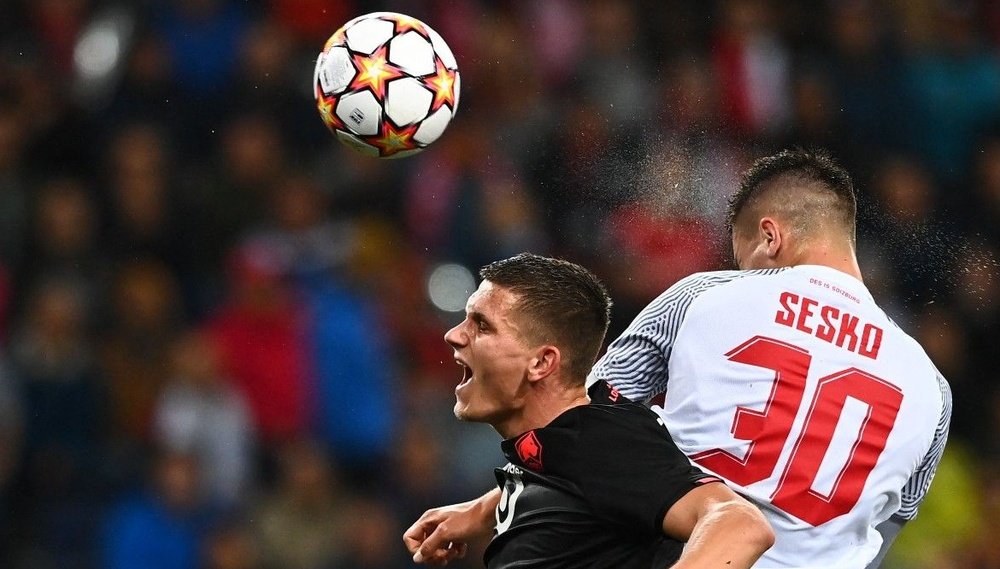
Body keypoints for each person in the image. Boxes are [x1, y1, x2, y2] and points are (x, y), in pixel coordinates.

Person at [405, 149, 951, 569]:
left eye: (744, 258)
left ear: (769, 236)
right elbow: (881, 538)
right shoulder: (932, 391)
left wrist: (488, 507)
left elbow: (578, 423)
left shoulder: (704, 296)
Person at [403, 253, 774, 568]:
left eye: (481, 325)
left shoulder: (602, 441)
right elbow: (576, 472)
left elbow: (738, 523)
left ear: (541, 363)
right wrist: (480, 512)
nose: (454, 334)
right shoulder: (567, 430)